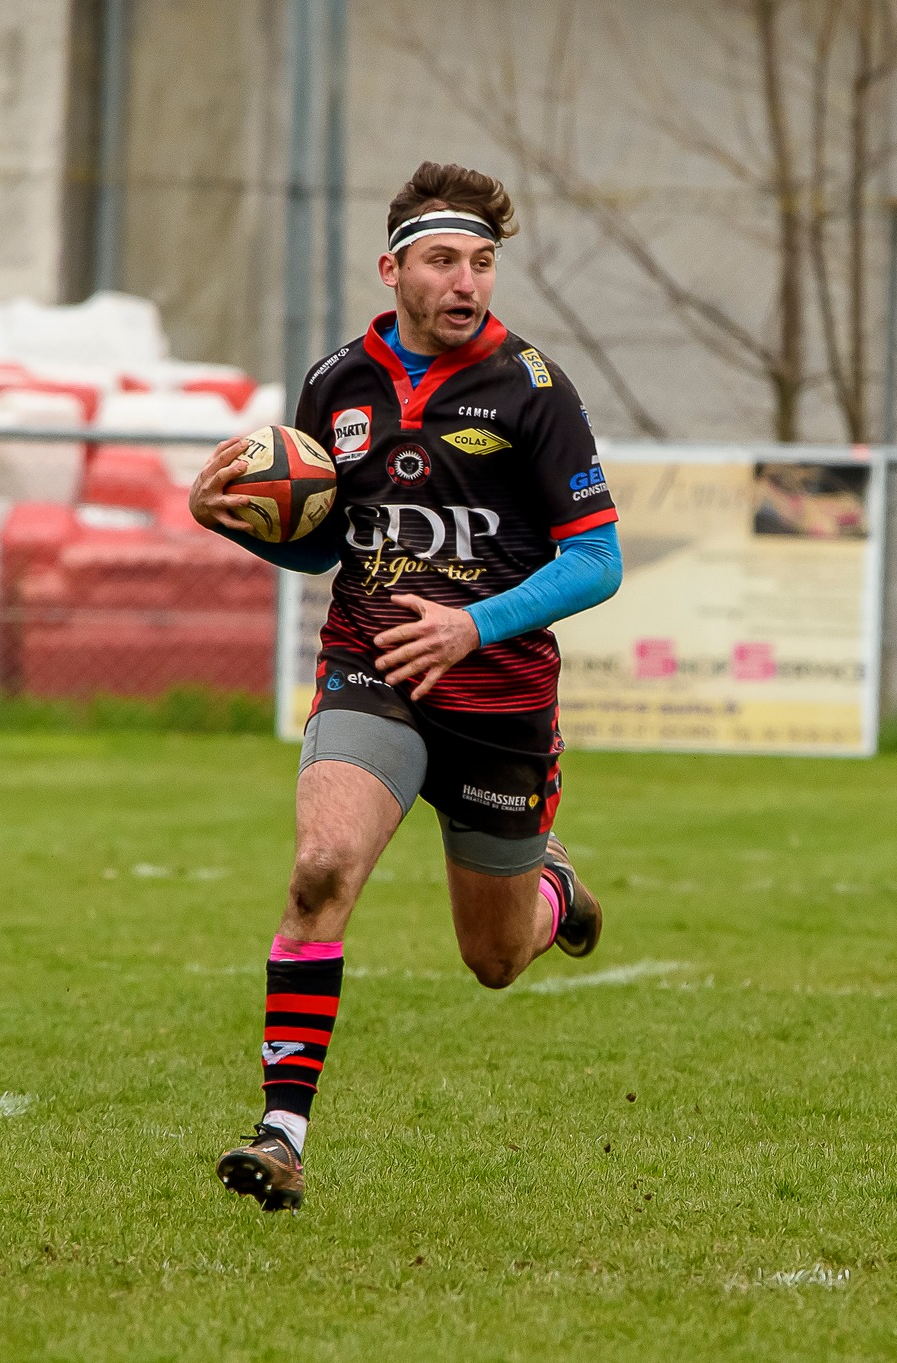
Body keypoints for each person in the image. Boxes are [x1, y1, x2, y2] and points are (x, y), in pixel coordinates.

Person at [188, 161, 622, 1212]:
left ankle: (550, 887)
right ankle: (281, 1134)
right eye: (441, 260)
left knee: (494, 960)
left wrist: (473, 622)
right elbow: (328, 543)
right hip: (369, 674)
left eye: (480, 261)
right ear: (392, 269)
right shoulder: (335, 383)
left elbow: (596, 561)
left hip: (499, 701)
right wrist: (232, 521)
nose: (465, 280)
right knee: (319, 868)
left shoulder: (534, 390)